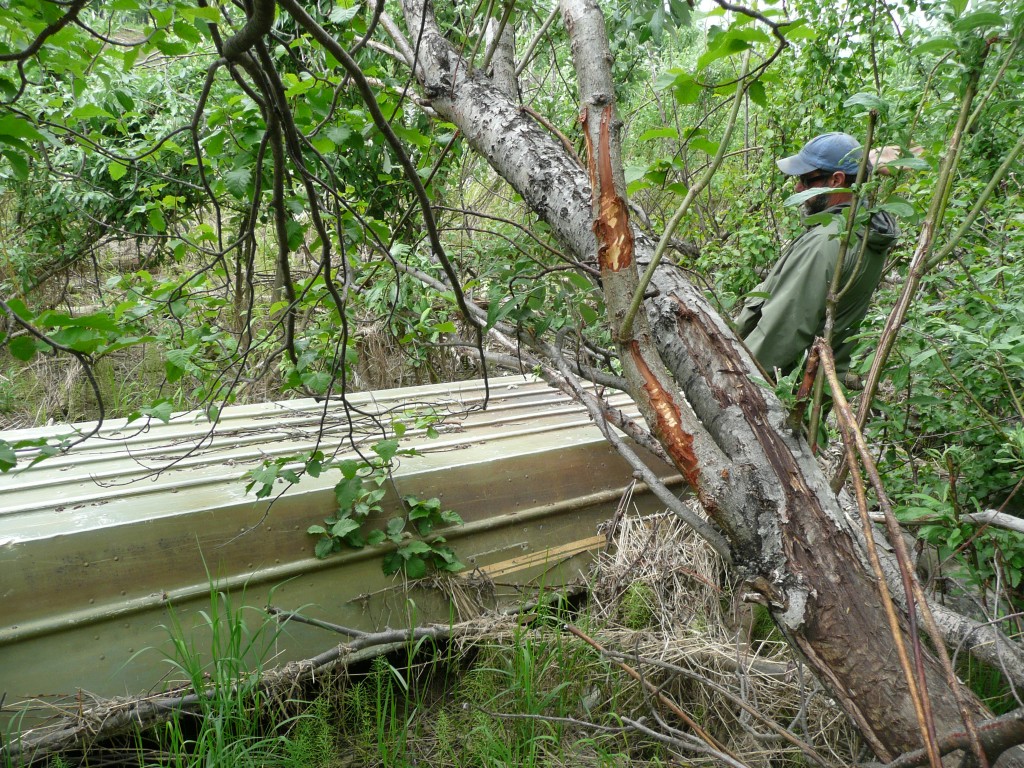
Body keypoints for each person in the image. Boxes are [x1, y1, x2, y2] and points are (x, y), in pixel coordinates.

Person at [735, 132, 900, 380]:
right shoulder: (864, 228)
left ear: (836, 180)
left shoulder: (827, 242)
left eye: (805, 179)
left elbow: (780, 334)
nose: (798, 187)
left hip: (777, 393)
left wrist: (735, 380)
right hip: (812, 391)